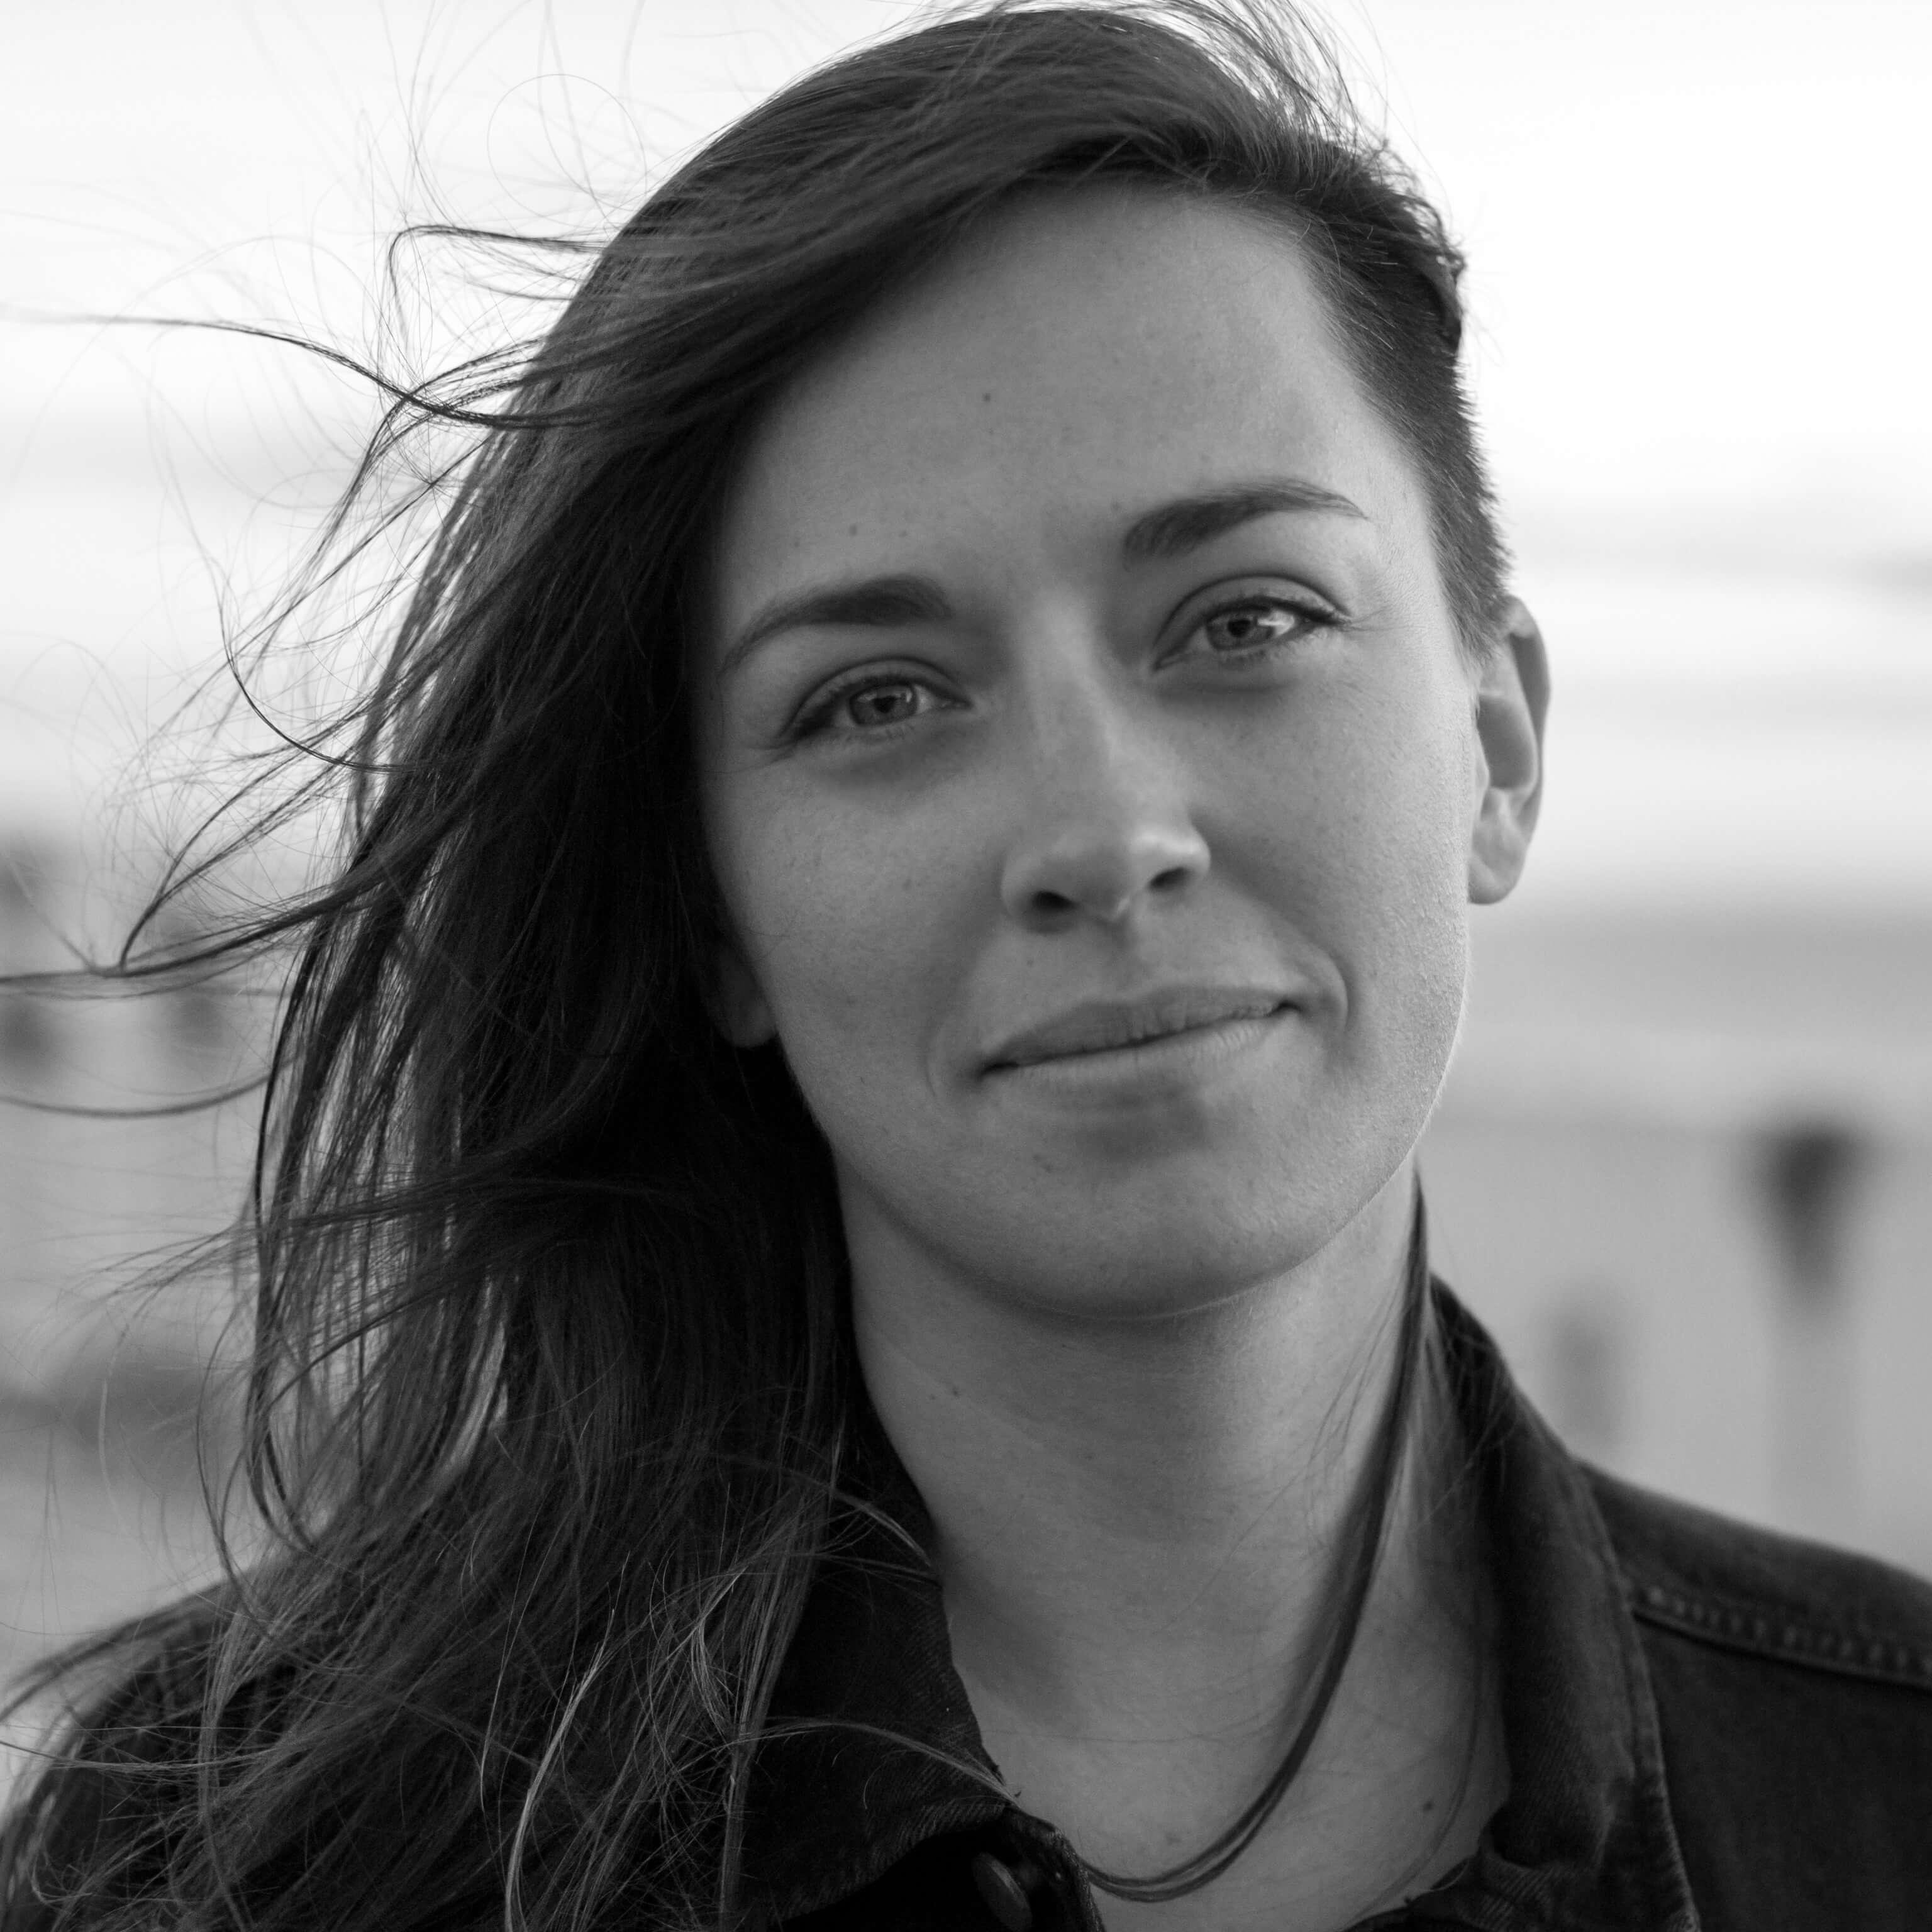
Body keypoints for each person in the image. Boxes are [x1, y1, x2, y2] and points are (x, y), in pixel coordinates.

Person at [4, 3, 1930, 1928]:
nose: (1103, 832)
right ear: (716, 918)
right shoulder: (243, 1863)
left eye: (1246, 619)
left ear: (1496, 747)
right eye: (878, 698)